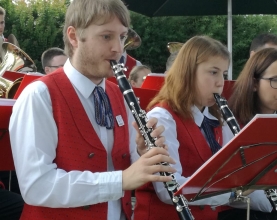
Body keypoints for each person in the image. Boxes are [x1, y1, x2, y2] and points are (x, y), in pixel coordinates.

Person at [8, 0, 176, 220]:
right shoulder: (40, 95)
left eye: (122, 37)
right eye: (106, 36)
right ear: (74, 36)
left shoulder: (120, 96)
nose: (118, 48)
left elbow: (130, 171)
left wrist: (144, 155)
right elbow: (36, 186)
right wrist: (121, 180)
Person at [133, 35, 273, 220]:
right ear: (188, 72)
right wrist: (232, 193)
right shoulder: (162, 118)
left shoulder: (217, 118)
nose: (220, 83)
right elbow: (169, 189)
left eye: (223, 74)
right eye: (213, 72)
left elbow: (235, 172)